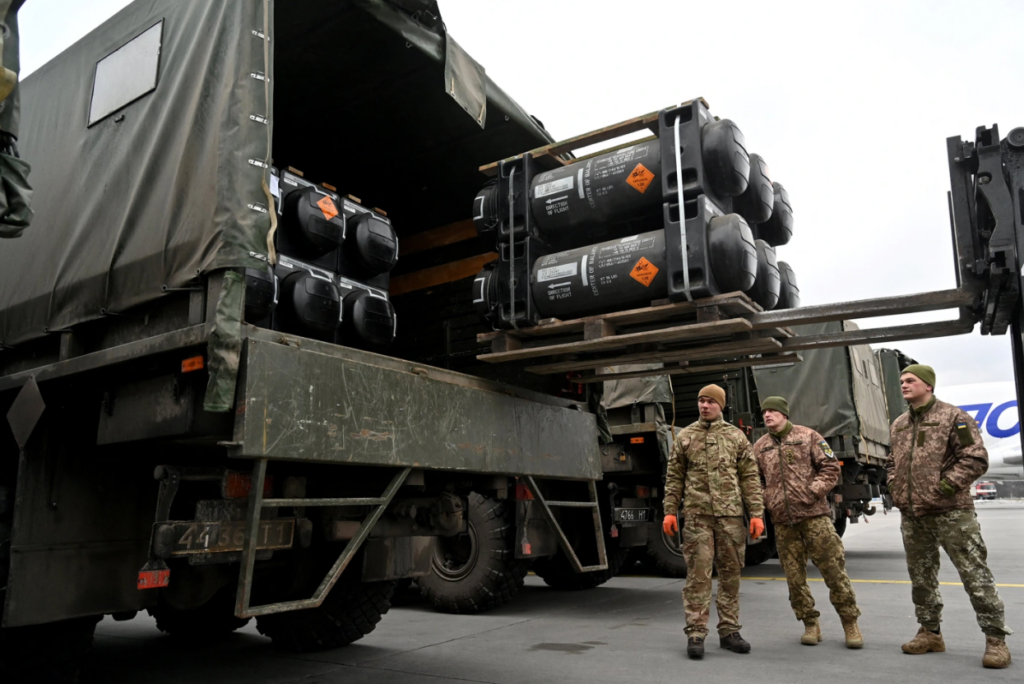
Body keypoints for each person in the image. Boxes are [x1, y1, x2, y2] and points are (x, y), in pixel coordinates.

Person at [887, 364, 1012, 669]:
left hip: (951, 512)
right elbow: (892, 462)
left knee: (975, 576)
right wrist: (894, 485)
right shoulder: (899, 424)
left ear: (928, 385)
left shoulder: (953, 416)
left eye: (910, 380)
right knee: (921, 578)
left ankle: (996, 640)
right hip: (913, 515)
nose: (904, 385)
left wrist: (942, 487)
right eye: (901, 381)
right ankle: (930, 633)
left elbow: (975, 458)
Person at [751, 396, 863, 648]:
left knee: (834, 571)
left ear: (784, 414)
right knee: (794, 578)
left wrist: (813, 492)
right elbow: (755, 480)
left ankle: (850, 623)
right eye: (765, 411)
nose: (767, 415)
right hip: (783, 522)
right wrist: (767, 500)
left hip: (815, 518)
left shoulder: (808, 436)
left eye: (772, 411)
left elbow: (831, 467)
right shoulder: (760, 446)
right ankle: (810, 623)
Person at [663, 384, 764, 659]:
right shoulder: (685, 437)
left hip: (730, 517)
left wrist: (756, 514)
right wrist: (670, 510)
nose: (704, 405)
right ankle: (696, 633)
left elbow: (749, 477)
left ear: (721, 405)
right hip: (697, 517)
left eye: (710, 402)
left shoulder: (736, 437)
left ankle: (729, 631)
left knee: (731, 575)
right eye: (701, 401)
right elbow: (674, 477)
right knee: (698, 576)